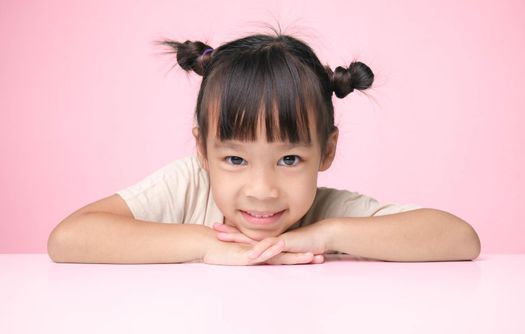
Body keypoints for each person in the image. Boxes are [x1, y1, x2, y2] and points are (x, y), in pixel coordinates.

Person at [47, 28, 481, 265]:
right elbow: (69, 239)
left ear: (327, 151)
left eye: (289, 159)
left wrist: (323, 236)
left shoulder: (327, 212)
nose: (262, 189)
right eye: (234, 158)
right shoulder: (188, 187)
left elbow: (460, 239)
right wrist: (205, 245)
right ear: (203, 151)